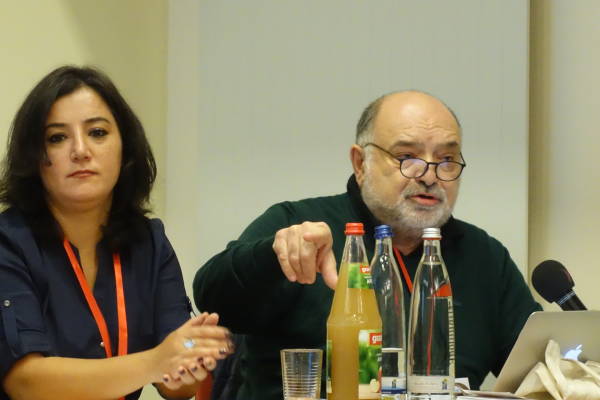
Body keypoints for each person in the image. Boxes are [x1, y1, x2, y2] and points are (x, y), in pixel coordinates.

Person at [193, 90, 541, 400]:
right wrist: (276, 254)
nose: (429, 175)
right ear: (360, 163)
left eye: (447, 160)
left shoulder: (483, 256)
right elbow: (213, 297)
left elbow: (537, 366)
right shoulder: (302, 225)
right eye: (407, 157)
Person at [0, 66, 234, 400]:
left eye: (97, 132)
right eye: (57, 138)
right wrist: (156, 361)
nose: (80, 150)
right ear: (34, 157)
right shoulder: (9, 241)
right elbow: (25, 382)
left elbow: (175, 388)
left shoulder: (149, 241)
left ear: (125, 146)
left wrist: (191, 359)